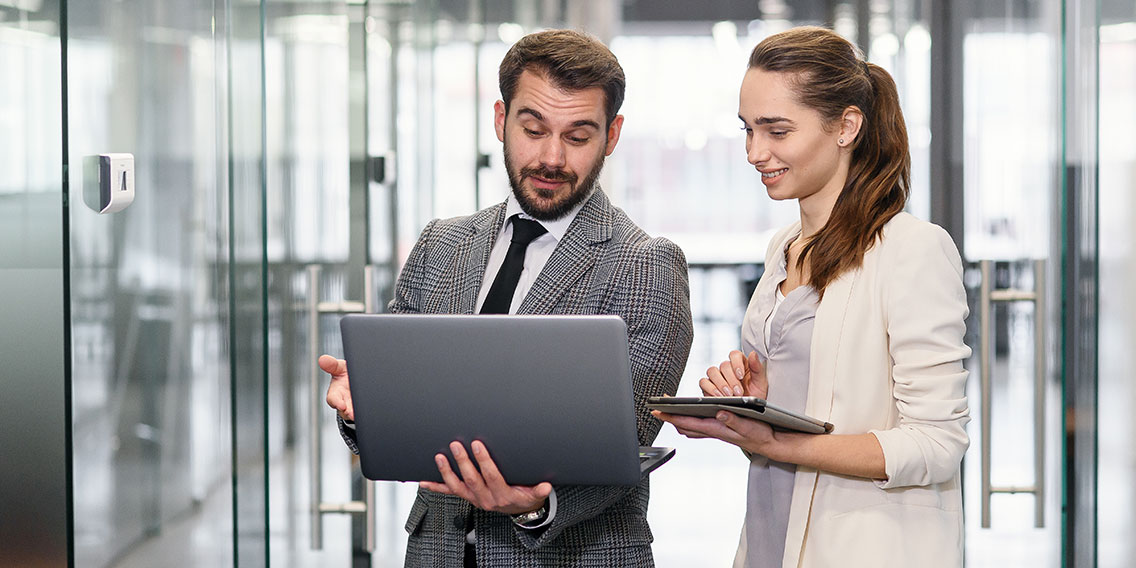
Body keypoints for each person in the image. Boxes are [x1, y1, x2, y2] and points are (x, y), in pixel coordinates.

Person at [320, 29, 693, 568]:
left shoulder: (645, 265)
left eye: (578, 136)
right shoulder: (441, 245)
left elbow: (626, 445)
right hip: (438, 551)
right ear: (501, 120)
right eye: (533, 129)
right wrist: (366, 412)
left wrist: (537, 506)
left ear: (612, 136)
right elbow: (399, 425)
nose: (551, 157)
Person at [652, 26, 971, 568]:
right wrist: (755, 401)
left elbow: (937, 445)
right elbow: (817, 398)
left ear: (846, 125)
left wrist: (780, 443)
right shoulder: (784, 247)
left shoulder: (911, 250)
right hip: (772, 535)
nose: (756, 152)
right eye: (748, 130)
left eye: (776, 130)